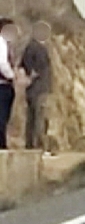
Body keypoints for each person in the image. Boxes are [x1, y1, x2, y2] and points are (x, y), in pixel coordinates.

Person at [21, 21, 52, 153]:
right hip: (39, 88)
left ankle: (29, 145)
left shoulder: (28, 48)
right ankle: (39, 147)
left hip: (31, 89)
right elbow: (38, 69)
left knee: (31, 118)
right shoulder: (39, 49)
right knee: (40, 118)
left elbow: (24, 66)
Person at [0, 18, 17, 149]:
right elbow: (2, 64)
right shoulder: (1, 43)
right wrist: (12, 76)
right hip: (2, 84)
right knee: (2, 116)